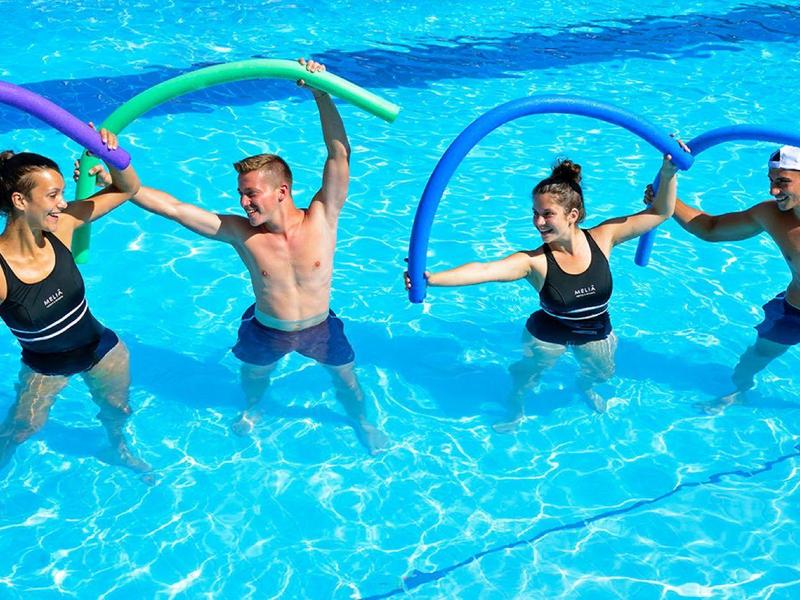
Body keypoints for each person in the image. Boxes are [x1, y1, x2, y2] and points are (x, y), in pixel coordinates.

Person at [84, 59, 387, 454]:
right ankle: (253, 407)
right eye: (241, 194)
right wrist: (115, 173)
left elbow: (338, 156)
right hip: (266, 329)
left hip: (319, 328)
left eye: (251, 194)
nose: (242, 203)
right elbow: (172, 208)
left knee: (347, 379)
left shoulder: (322, 217)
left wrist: (321, 92)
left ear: (282, 191)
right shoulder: (243, 234)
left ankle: (360, 421)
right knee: (254, 375)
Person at [407, 154, 679, 431]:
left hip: (595, 328)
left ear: (572, 215)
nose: (538, 222)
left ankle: (585, 387)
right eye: (535, 213)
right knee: (529, 374)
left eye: (547, 214)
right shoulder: (534, 262)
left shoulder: (604, 237)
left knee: (602, 373)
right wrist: (431, 279)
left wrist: (668, 173)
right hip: (549, 330)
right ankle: (515, 405)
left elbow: (660, 212)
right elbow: (484, 270)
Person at [0, 130, 149, 475]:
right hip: (46, 365)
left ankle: (117, 449)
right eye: (53, 195)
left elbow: (127, 188)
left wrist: (110, 152)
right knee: (21, 430)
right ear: (21, 201)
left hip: (103, 349)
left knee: (117, 410)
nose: (63, 203)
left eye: (63, 193)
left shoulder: (62, 228)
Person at [655, 144, 800, 410]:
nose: (773, 191)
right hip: (794, 310)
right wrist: (666, 191)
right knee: (759, 354)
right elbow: (710, 228)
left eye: (783, 182)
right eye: (771, 182)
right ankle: (739, 392)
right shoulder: (771, 215)